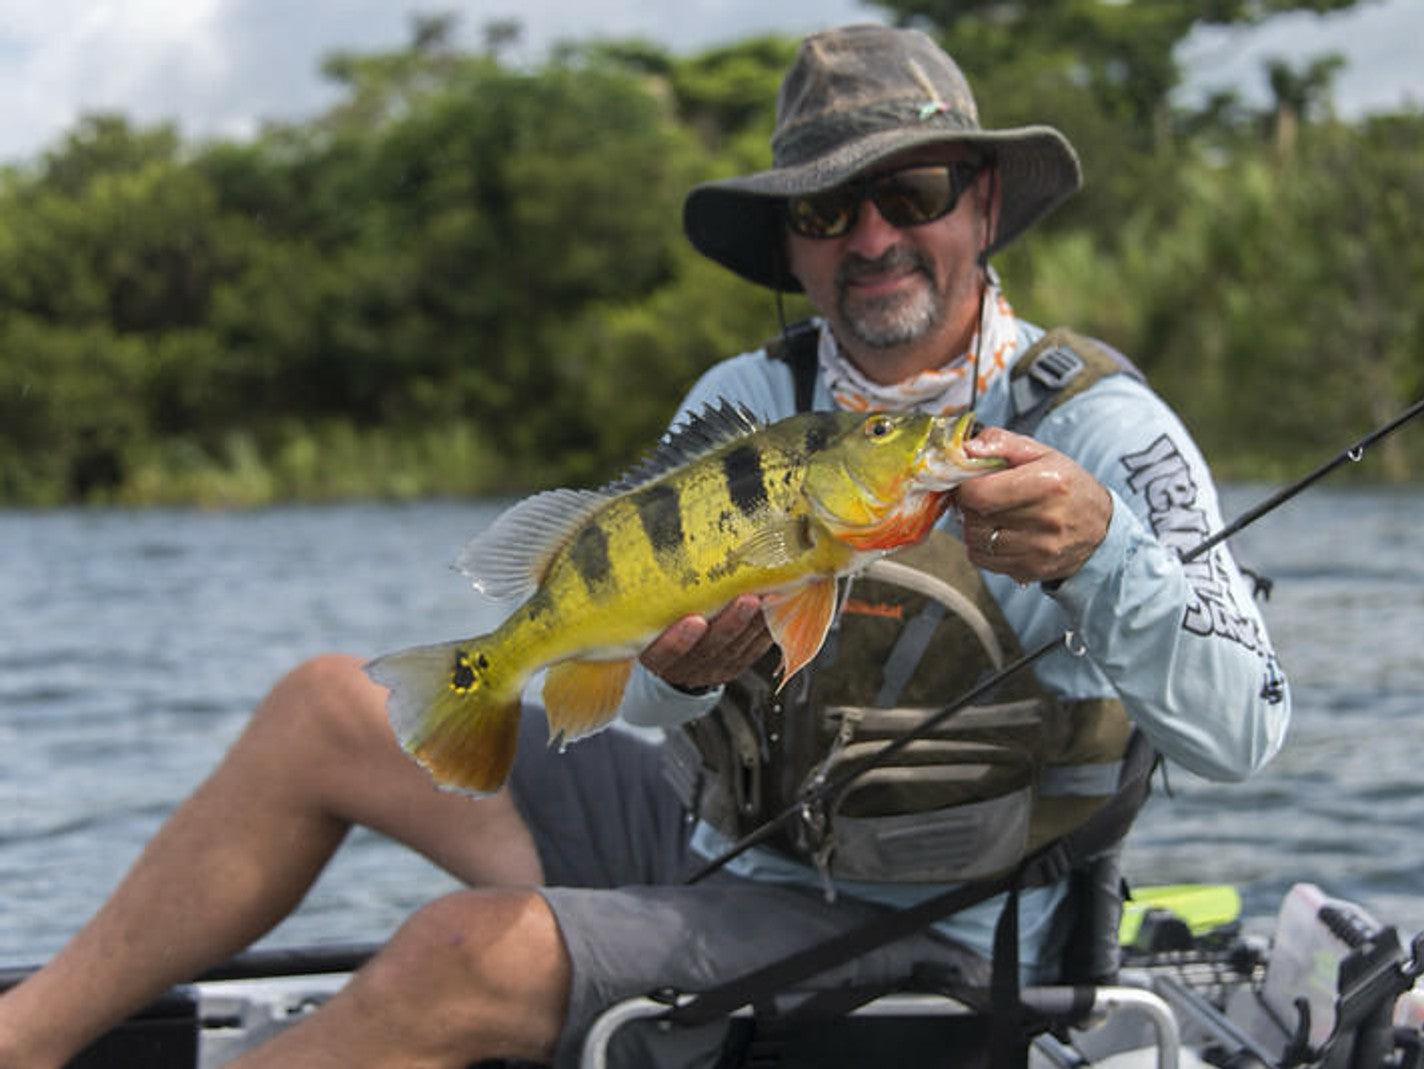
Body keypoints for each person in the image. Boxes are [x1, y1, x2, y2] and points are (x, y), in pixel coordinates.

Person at [0, 23, 1289, 1069]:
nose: (874, 237)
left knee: (463, 953)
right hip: (731, 843)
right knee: (326, 706)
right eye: (831, 211)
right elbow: (656, 698)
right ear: (791, 241)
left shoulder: (1101, 429)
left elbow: (1247, 732)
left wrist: (1103, 549)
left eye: (914, 191)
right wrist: (675, 676)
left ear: (984, 202)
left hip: (940, 941)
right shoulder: (744, 394)